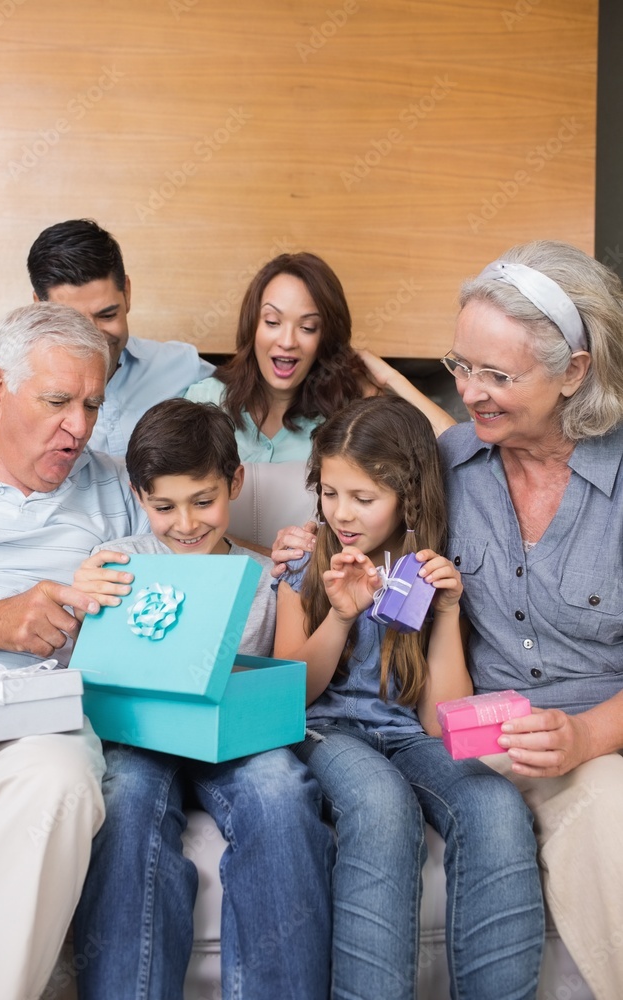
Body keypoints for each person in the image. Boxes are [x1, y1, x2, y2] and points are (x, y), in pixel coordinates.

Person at [273, 395, 545, 1000]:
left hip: (409, 735)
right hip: (326, 731)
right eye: (330, 492)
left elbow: (441, 720)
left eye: (364, 499)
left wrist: (447, 615)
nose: (342, 514)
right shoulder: (303, 562)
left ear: (410, 498)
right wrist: (341, 617)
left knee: (496, 805)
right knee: (379, 802)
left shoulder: (428, 572)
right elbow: (292, 694)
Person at [70, 398, 333, 1000]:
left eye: (203, 500)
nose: (185, 523)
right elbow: (92, 661)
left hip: (236, 740)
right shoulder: (120, 564)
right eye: (164, 506)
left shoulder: (268, 576)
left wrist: (300, 580)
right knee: (126, 796)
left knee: (281, 792)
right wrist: (80, 599)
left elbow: (290, 677)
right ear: (140, 497)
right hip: (138, 736)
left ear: (235, 483)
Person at [436, 240, 623, 1000]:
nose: (468, 391)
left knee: (606, 804)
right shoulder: (446, 462)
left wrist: (583, 737)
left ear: (573, 372)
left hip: (593, 747)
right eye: (458, 366)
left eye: (497, 376)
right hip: (479, 750)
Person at [0, 303, 146, 1000]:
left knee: (62, 775)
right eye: (58, 401)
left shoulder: (115, 488)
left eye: (92, 404)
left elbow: (186, 562)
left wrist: (283, 561)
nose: (80, 427)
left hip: (22, 735)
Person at [0, 219, 214, 454]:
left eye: (107, 315)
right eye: (73, 322)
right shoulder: (7, 393)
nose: (94, 340)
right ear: (39, 308)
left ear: (126, 293)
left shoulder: (182, 366)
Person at [186, 252, 454, 462]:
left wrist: (391, 378)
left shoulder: (345, 417)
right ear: (252, 326)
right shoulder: (206, 401)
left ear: (324, 338)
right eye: (272, 322)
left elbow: (457, 453)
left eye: (307, 327)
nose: (288, 342)